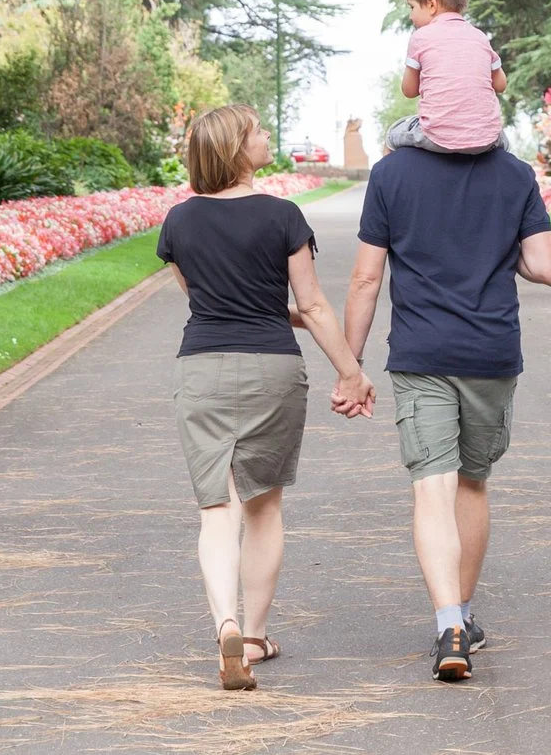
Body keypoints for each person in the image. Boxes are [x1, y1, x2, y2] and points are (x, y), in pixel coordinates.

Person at [159, 104, 375, 691]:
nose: (265, 136)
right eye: (256, 131)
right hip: (273, 369)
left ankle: (223, 622)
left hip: (201, 367)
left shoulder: (178, 222)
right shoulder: (282, 216)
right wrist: (351, 372)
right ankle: (252, 637)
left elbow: (203, 299)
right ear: (235, 148)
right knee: (264, 507)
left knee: (216, 510)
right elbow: (310, 305)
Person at [343, 141, 551, 681]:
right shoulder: (514, 174)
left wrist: (350, 365)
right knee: (472, 482)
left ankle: (450, 627)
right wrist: (499, 244)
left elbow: (367, 279)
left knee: (431, 488)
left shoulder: (391, 173)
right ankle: (463, 614)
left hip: (422, 353)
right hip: (490, 353)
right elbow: (549, 267)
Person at [383, 0, 507, 155]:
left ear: (431, 5)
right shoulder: (480, 37)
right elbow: (500, 85)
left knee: (393, 134)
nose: (410, 16)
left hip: (436, 137)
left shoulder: (420, 37)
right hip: (485, 140)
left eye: (412, 7)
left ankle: (390, 182)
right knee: (504, 142)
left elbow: (409, 90)